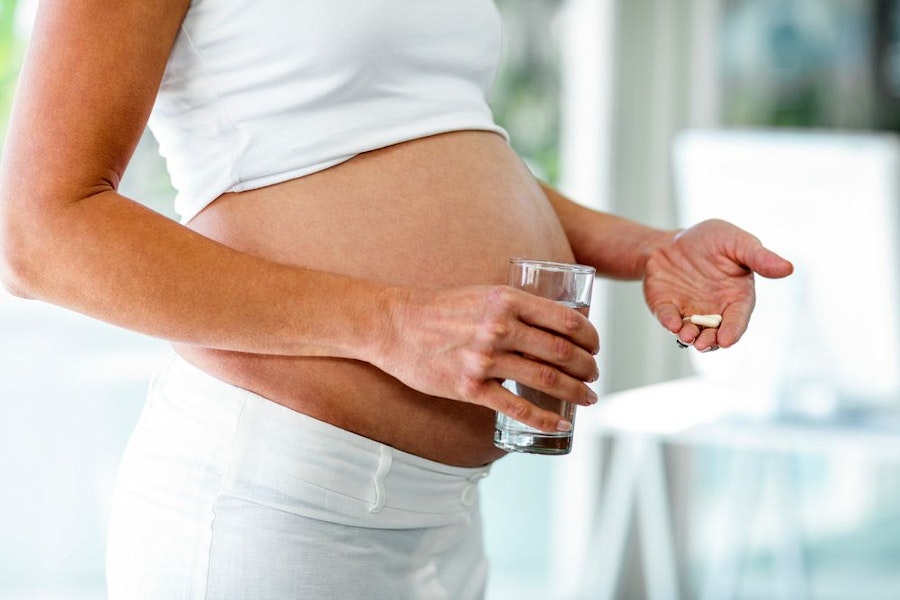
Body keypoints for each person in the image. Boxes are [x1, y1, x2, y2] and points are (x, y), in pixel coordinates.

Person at [0, 0, 793, 598]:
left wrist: (651, 247)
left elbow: (434, 143)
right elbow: (37, 234)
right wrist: (393, 325)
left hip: (442, 519)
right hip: (271, 505)